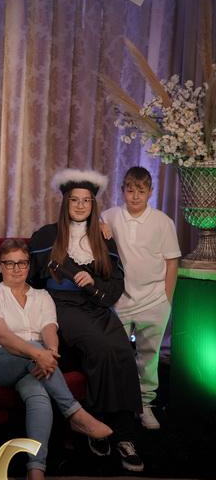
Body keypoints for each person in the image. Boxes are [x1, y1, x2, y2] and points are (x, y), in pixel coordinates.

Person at [0, 169, 144, 472]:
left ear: (93, 204)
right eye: (74, 200)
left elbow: (115, 284)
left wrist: (93, 283)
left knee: (122, 349)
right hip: (62, 306)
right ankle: (96, 424)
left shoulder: (104, 237)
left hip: (96, 306)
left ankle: (124, 433)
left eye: (86, 201)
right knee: (101, 347)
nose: (80, 205)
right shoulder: (46, 235)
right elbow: (18, 264)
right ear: (65, 202)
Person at [0, 238, 113, 480]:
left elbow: (49, 330)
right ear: (0, 266)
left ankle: (36, 471)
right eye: (9, 263)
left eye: (22, 263)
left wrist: (51, 353)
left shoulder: (42, 296)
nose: (16, 268)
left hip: (34, 364)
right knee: (34, 347)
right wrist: (40, 354)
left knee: (38, 395)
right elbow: (2, 337)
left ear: (29, 265)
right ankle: (75, 412)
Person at [102, 166, 181, 430]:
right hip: (121, 301)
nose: (135, 196)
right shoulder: (110, 216)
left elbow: (172, 262)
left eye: (141, 191)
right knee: (116, 354)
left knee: (149, 356)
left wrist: (166, 299)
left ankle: (145, 404)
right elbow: (91, 225)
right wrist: (99, 225)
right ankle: (120, 404)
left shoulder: (162, 222)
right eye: (130, 190)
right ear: (122, 190)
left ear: (150, 192)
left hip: (154, 300)